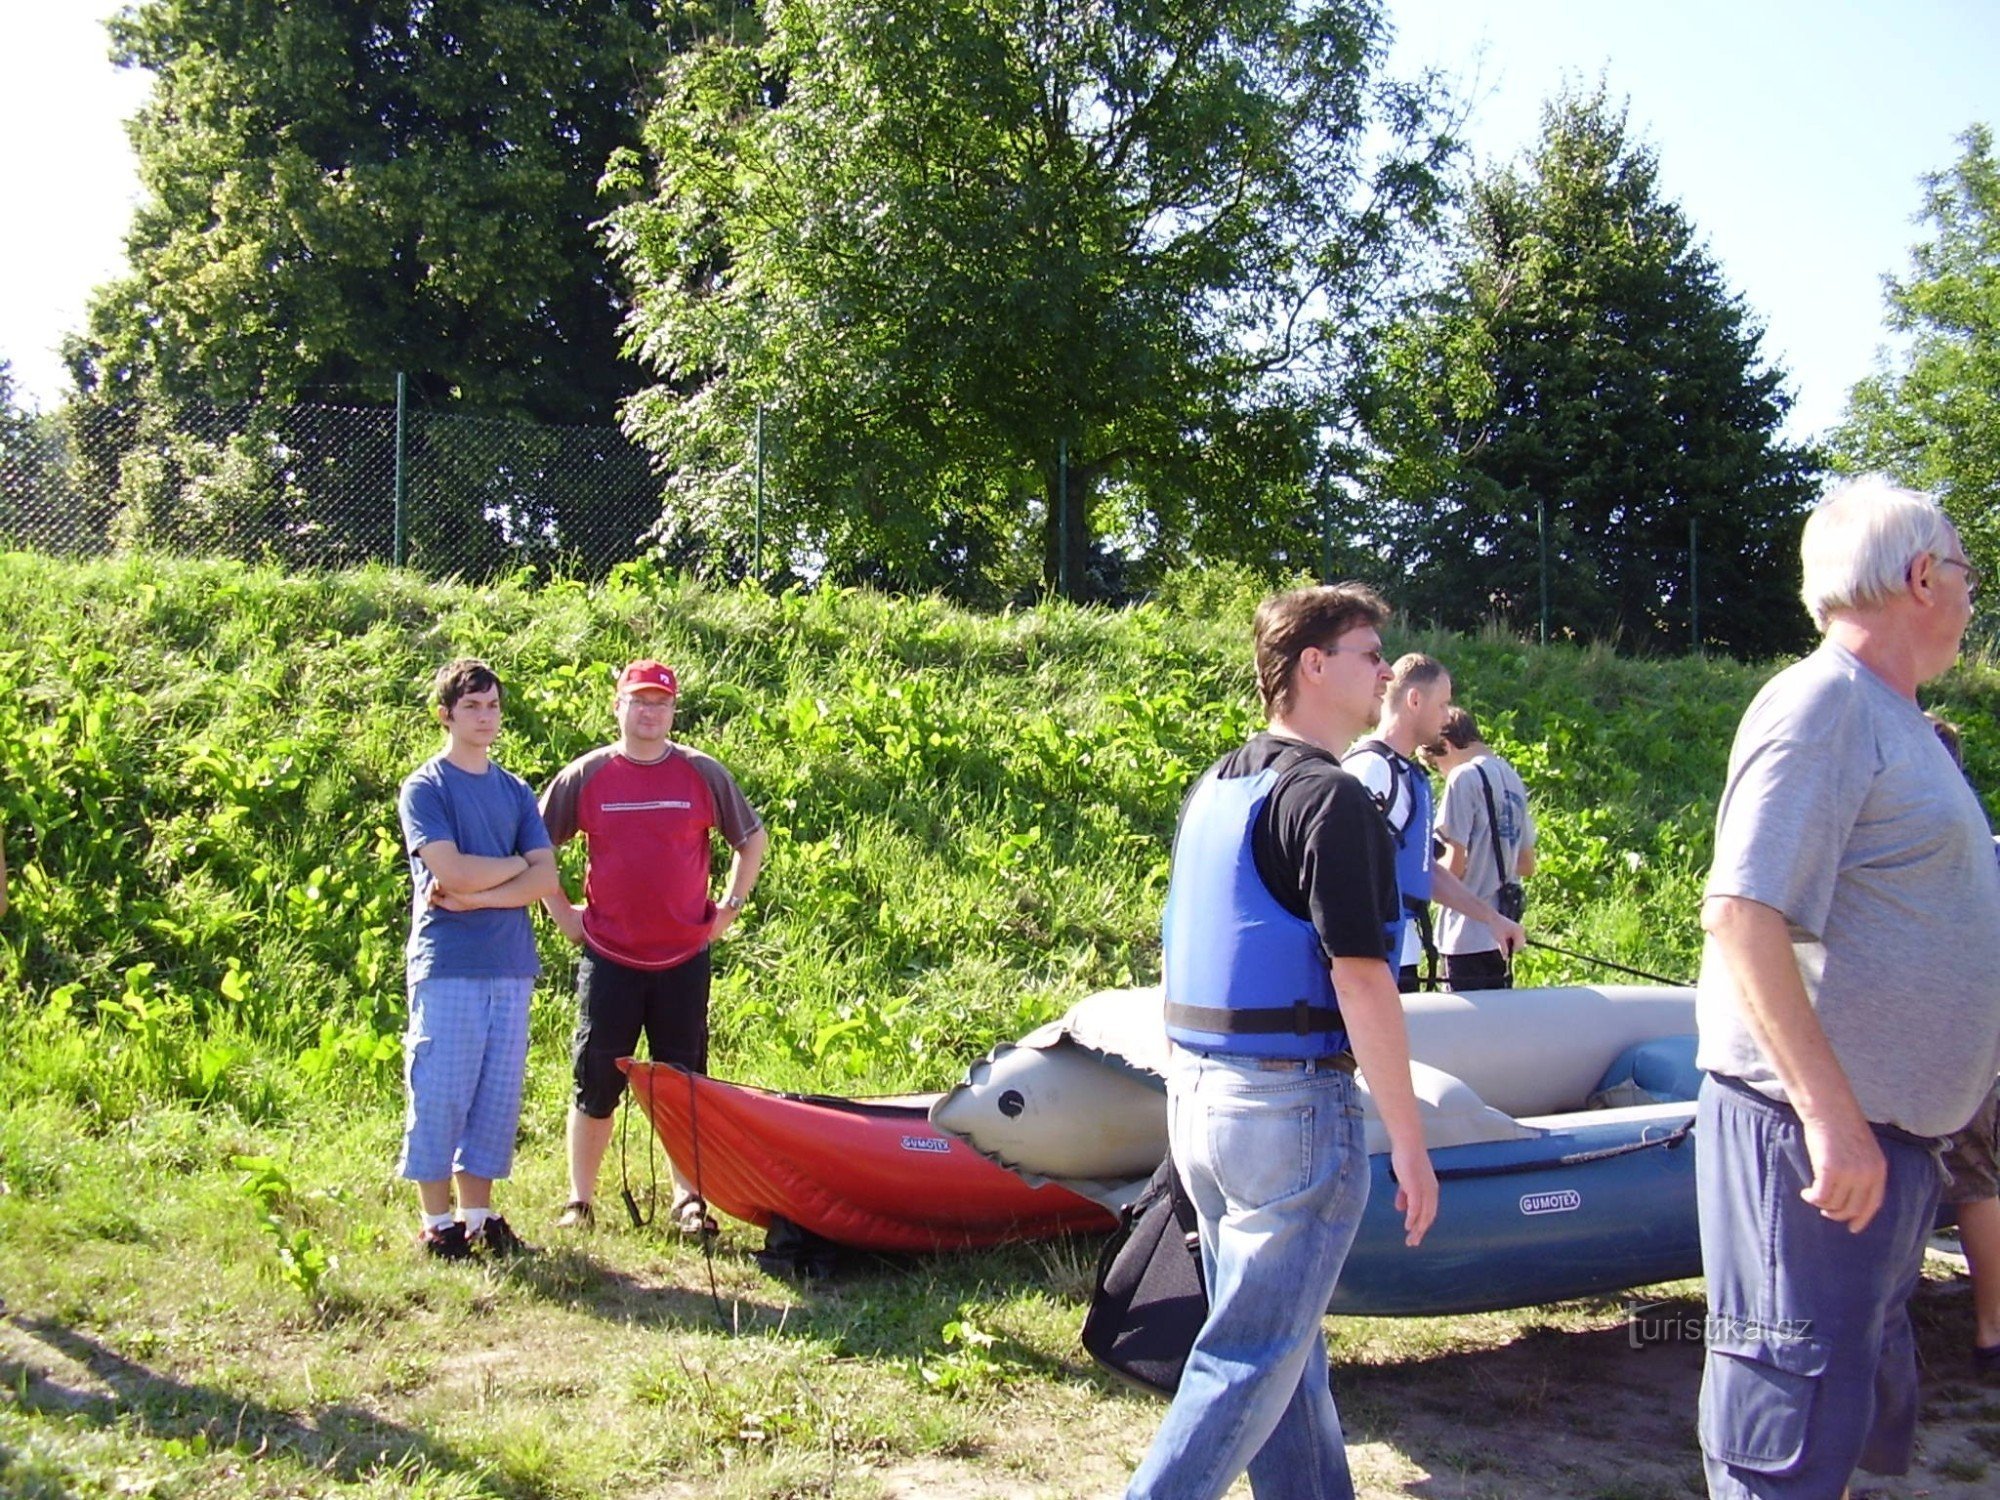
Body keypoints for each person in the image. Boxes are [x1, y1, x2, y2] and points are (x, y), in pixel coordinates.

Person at [1695, 475, 2000, 1497]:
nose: (1968, 591)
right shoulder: (1821, 703)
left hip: (1887, 1147)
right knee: (1782, 1430)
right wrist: (1830, 1121)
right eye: (1962, 568)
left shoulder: (1895, 721)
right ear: (1919, 576)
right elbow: (1743, 914)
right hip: (1818, 1145)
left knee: (1841, 1427)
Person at [1127, 583, 1439, 1500]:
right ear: (1313, 665)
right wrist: (1411, 1141)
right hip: (1288, 1114)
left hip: (1203, 1105)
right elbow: (1362, 976)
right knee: (1254, 1354)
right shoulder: (1330, 801)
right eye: (1369, 651)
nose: (1385, 669)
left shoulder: (1221, 784)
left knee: (1284, 1356)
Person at [540, 659, 767, 1235]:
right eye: (639, 702)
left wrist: (727, 910)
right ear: (618, 707)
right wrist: (563, 914)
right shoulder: (587, 775)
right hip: (610, 958)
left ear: (673, 710)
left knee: (684, 1084)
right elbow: (535, 848)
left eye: (660, 703)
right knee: (595, 1079)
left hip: (682, 961)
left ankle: (689, 1201)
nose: (649, 712)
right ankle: (579, 1201)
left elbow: (751, 840)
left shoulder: (702, 773)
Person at [396, 658, 561, 1260]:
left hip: (510, 963)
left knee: (496, 1097)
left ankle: (478, 1216)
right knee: (441, 1091)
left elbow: (544, 877)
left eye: (492, 705)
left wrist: (486, 889)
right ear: (446, 714)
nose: (485, 717)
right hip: (449, 963)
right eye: (472, 707)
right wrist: (511, 868)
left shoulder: (515, 790)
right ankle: (436, 1224)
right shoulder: (426, 787)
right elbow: (451, 869)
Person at [1342, 654, 1525, 991]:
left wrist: (1492, 919)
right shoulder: (1370, 770)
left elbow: (1422, 869)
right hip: (1374, 963)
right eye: (1442, 705)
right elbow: (1342, 873)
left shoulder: (1406, 774)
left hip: (1402, 954)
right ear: (1414, 700)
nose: (1446, 718)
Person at [1926, 711, 2000, 1375]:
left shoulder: (1926, 845)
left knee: (1974, 1176)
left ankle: (1989, 1332)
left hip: (1956, 1038)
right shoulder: (1986, 842)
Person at [1424, 706, 1537, 991]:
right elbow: (1526, 864)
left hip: (1465, 931)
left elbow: (1455, 867)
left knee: (1464, 1029)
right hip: (1503, 929)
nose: (1439, 774)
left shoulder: (1463, 778)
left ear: (1446, 746)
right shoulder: (1513, 778)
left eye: (1435, 765)